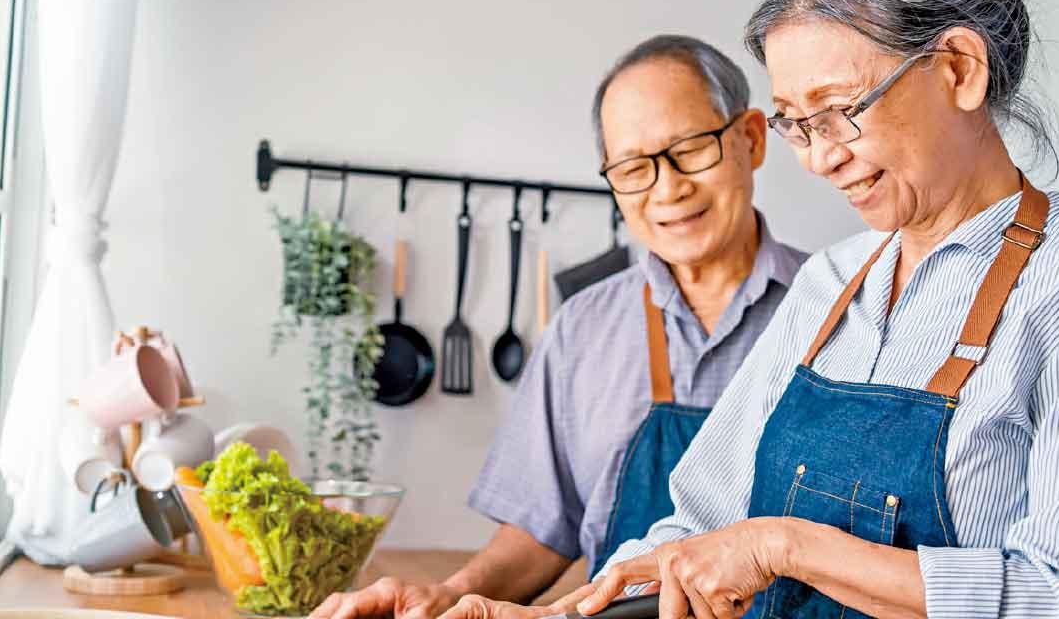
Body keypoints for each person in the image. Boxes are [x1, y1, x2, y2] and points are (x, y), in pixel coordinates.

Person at [437, 0, 1059, 619]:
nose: (820, 158)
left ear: (960, 69)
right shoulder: (830, 284)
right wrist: (553, 616)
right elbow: (697, 530)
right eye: (798, 124)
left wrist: (786, 547)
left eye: (839, 110)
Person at [309, 36, 806, 619]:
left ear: (751, 138)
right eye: (634, 168)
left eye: (692, 149)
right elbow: (542, 531)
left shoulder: (838, 310)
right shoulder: (582, 328)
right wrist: (450, 595)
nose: (668, 188)